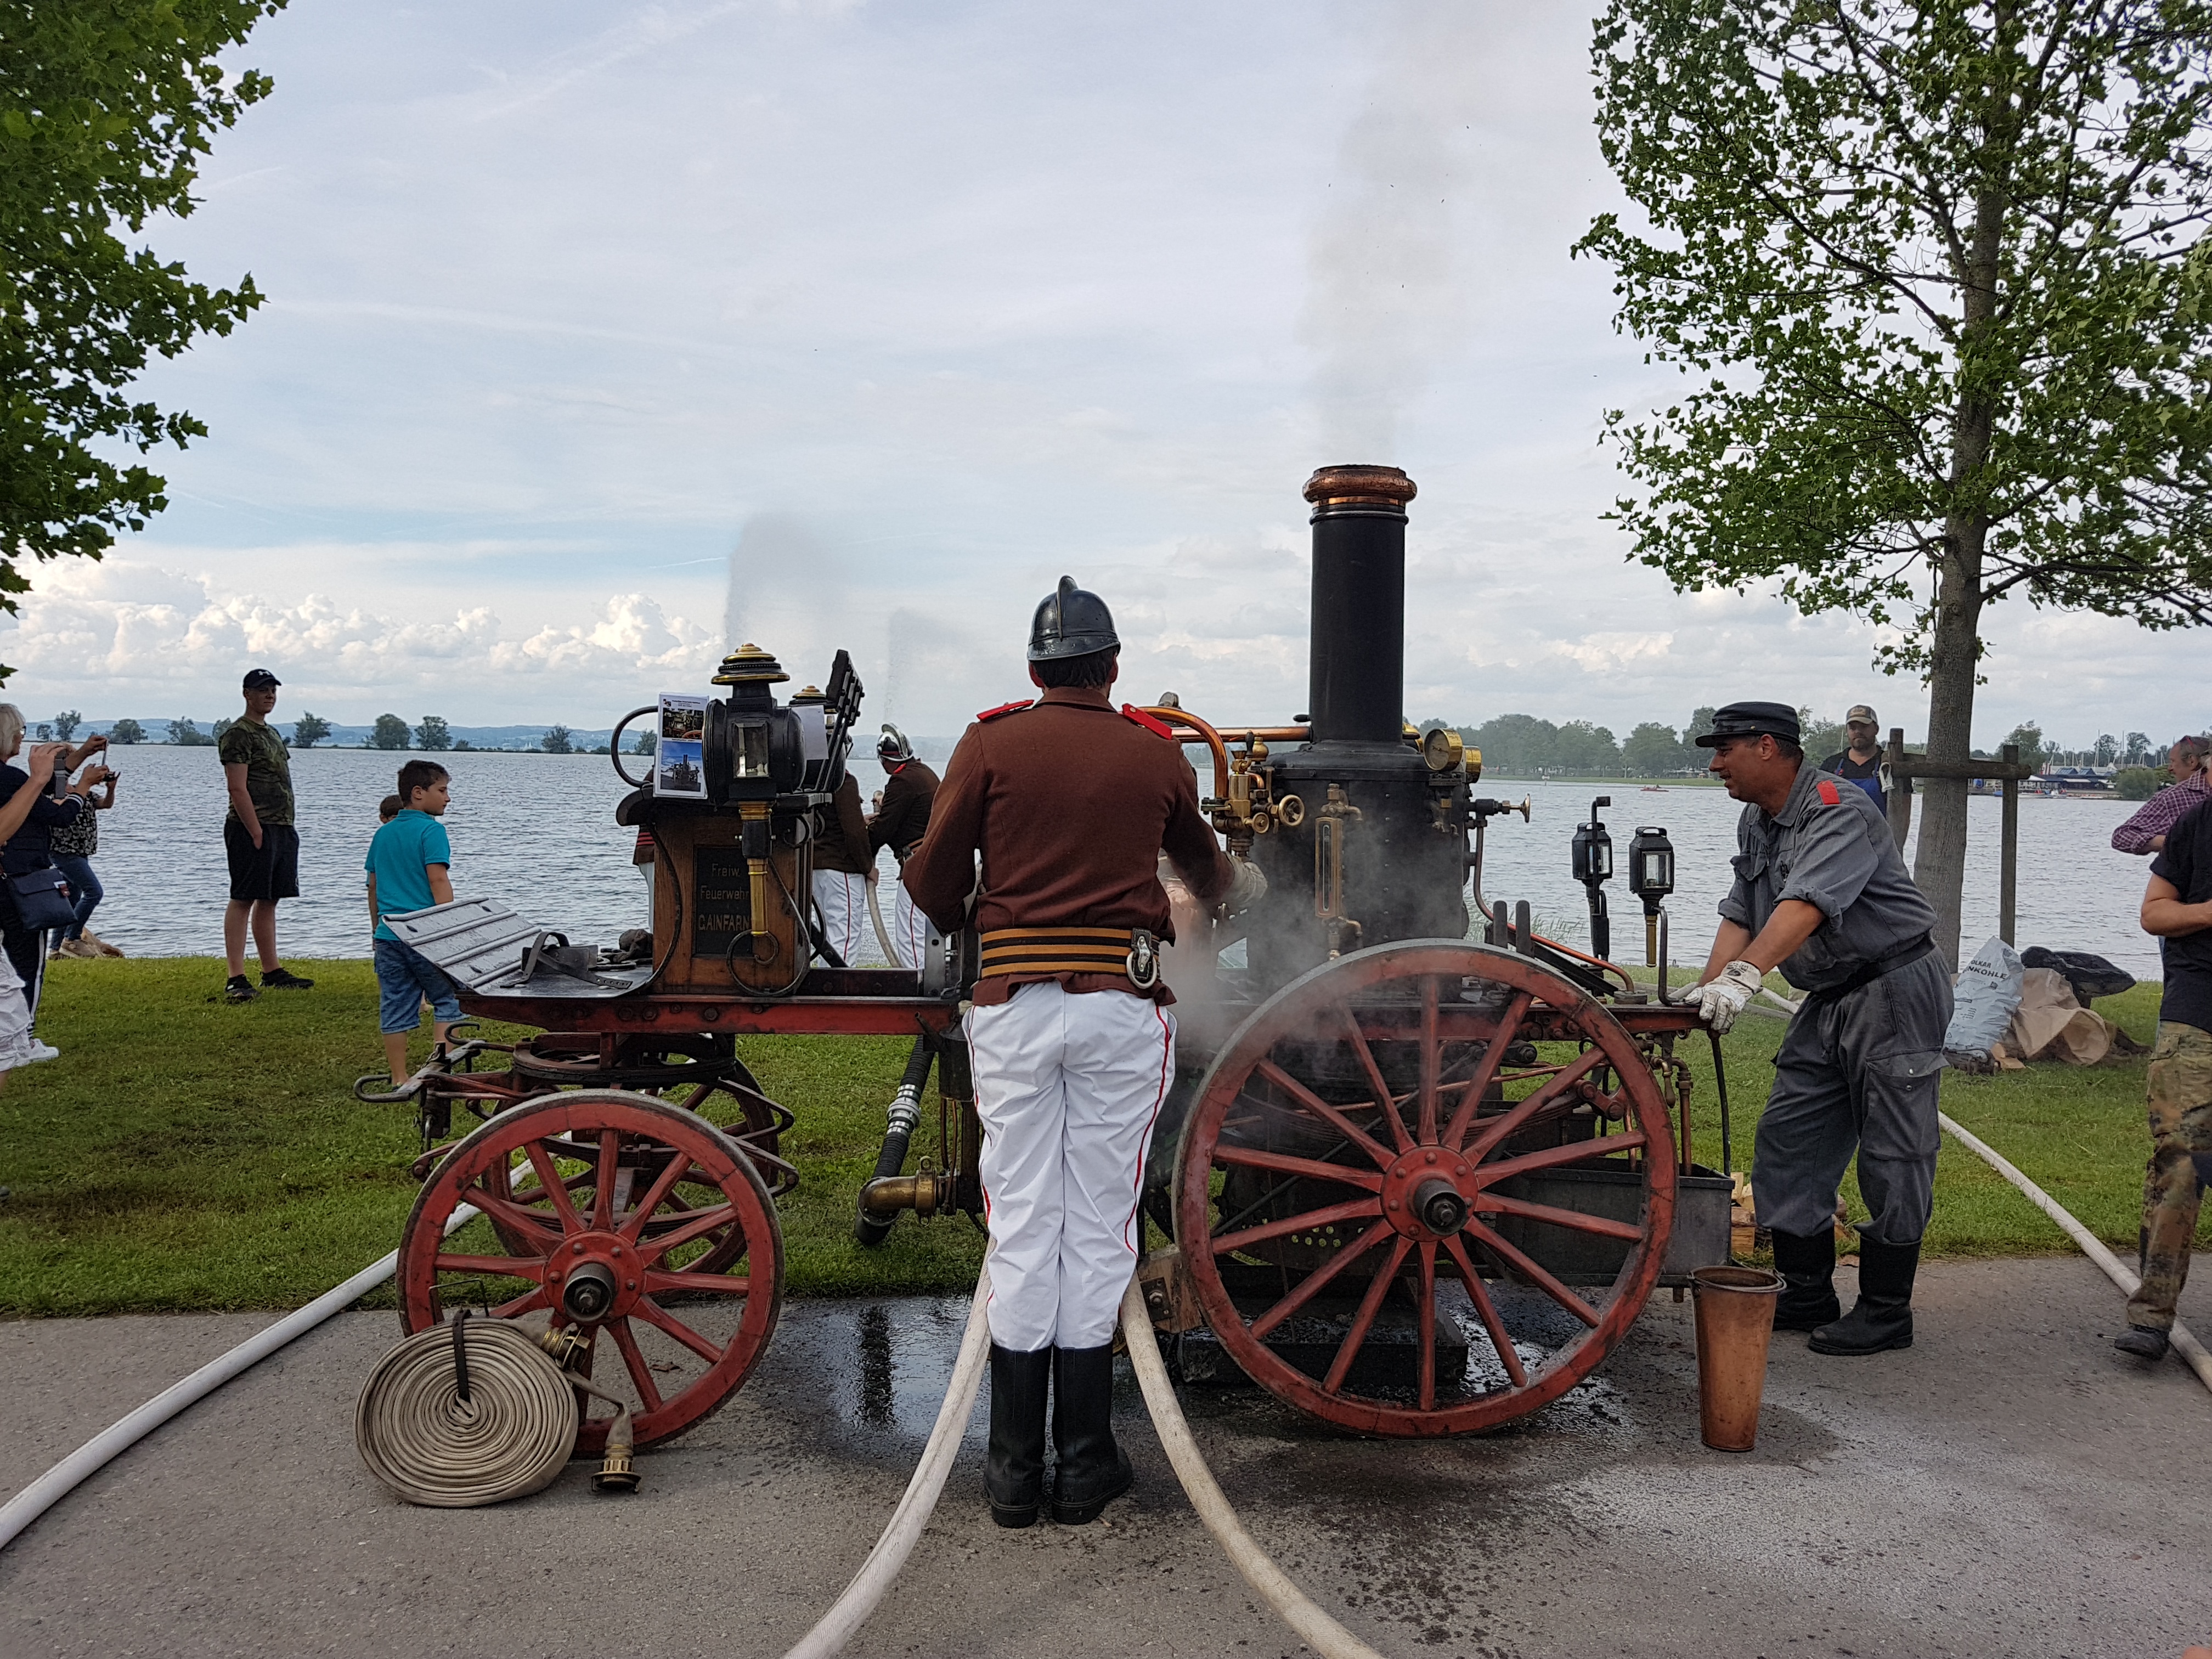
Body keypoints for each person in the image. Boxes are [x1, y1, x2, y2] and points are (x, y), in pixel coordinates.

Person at [904, 576, 1262, 1530]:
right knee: (1099, 1222)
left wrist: (963, 919)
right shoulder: (1152, 752)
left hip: (1012, 1010)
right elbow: (1207, 871)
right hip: (1118, 1011)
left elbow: (935, 878)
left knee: (1022, 1221)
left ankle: (1014, 1473)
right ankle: (1085, 1466)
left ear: (1033, 668)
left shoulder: (989, 739)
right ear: (1111, 668)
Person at [1692, 701, 1951, 1357]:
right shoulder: (1760, 820)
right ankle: (1807, 1292)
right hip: (1830, 994)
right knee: (1789, 1140)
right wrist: (1703, 991)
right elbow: (1742, 913)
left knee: (1895, 1152)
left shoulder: (1838, 806)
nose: (1716, 764)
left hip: (1892, 987)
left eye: (1725, 750)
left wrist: (1747, 978)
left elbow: (1805, 904)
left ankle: (1888, 1311)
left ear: (1769, 748)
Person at [2115, 792, 2212, 1361]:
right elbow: (2155, 914)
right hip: (2197, 1013)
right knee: (2181, 1160)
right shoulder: (2198, 824)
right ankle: (2152, 1316)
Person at [0, 726, 96, 1064]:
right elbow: (58, 815)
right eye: (18, 732)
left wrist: (76, 761)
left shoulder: (17, 780)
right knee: (28, 962)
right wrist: (82, 788)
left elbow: (45, 792)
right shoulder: (11, 779)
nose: (21, 739)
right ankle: (23, 1038)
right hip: (22, 882)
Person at [365, 760, 464, 1086]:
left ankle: (398, 1077)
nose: (448, 798)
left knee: (395, 1003)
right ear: (418, 794)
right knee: (449, 999)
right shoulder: (432, 830)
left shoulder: (383, 834)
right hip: (426, 933)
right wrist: (449, 925)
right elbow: (437, 879)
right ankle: (439, 1073)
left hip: (388, 934)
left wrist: (376, 927)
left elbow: (375, 886)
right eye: (443, 790)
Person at [219, 669, 312, 1002]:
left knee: (270, 897)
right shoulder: (238, 734)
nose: (269, 695)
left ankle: (271, 970)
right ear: (247, 694)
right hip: (251, 828)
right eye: (262, 690)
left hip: (282, 826)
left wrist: (283, 829)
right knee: (244, 896)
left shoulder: (271, 733)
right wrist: (255, 830)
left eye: (273, 690)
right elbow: (236, 786)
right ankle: (236, 975)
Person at [868, 725, 940, 968]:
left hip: (917, 865)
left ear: (883, 760)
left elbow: (883, 831)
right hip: (934, 863)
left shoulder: (901, 781)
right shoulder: (924, 773)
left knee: (911, 933)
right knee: (928, 934)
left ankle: (915, 986)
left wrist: (862, 835)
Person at [48, 742, 121, 959]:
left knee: (71, 898)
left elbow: (104, 805)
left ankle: (56, 948)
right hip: (63, 851)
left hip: (81, 851)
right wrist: (84, 783)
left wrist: (111, 789)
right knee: (94, 891)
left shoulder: (82, 791)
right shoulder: (56, 791)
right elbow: (60, 808)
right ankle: (72, 938)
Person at [2112, 736, 2209, 856]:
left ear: (2192, 761)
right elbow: (2121, 837)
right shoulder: (2172, 797)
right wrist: (2172, 841)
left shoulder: (2171, 796)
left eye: (2173, 762)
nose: (2170, 769)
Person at [1817, 704, 1910, 818]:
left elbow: (1904, 810)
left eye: (1864, 727)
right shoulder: (1831, 766)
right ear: (1847, 731)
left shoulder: (1889, 765)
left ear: (1876, 729)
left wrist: (1897, 836)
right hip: (1839, 834)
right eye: (1853, 728)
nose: (1858, 732)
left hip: (1878, 834)